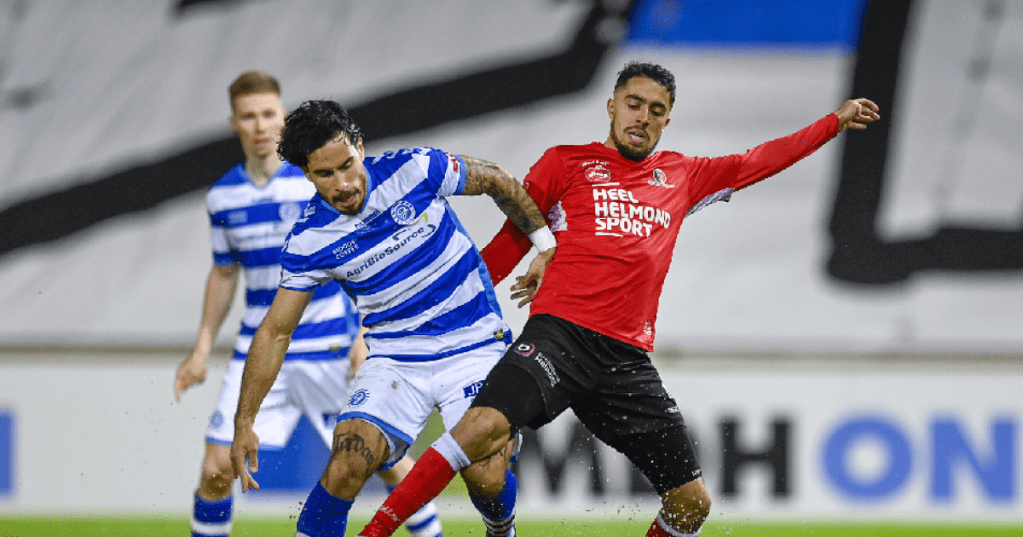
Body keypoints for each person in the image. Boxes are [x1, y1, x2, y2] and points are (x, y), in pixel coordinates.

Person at [355, 61, 882, 537]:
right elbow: (510, 243)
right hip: (559, 337)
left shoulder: (683, 174)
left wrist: (832, 123)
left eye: (656, 110)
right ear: (612, 106)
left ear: (667, 120)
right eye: (634, 104)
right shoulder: (564, 163)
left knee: (691, 503)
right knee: (480, 429)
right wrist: (448, 310)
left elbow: (758, 160)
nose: (642, 117)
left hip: (625, 360)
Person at [227, 99, 557, 537]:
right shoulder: (309, 240)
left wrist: (546, 245)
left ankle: (501, 530)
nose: (343, 184)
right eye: (325, 174)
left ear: (360, 147)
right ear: (306, 174)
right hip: (396, 360)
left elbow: (495, 178)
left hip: (474, 343)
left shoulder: (415, 169)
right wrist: (244, 421)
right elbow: (275, 331)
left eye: (347, 164)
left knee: (486, 478)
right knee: (345, 466)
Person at [174, 72, 443, 537]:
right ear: (234, 123)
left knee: (386, 462)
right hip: (260, 350)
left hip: (330, 347)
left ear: (282, 118)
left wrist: (364, 335)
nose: (260, 126)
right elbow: (224, 273)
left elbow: (366, 257)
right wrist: (201, 350)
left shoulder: (316, 182)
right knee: (216, 468)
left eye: (268, 114)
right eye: (249, 116)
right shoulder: (222, 197)